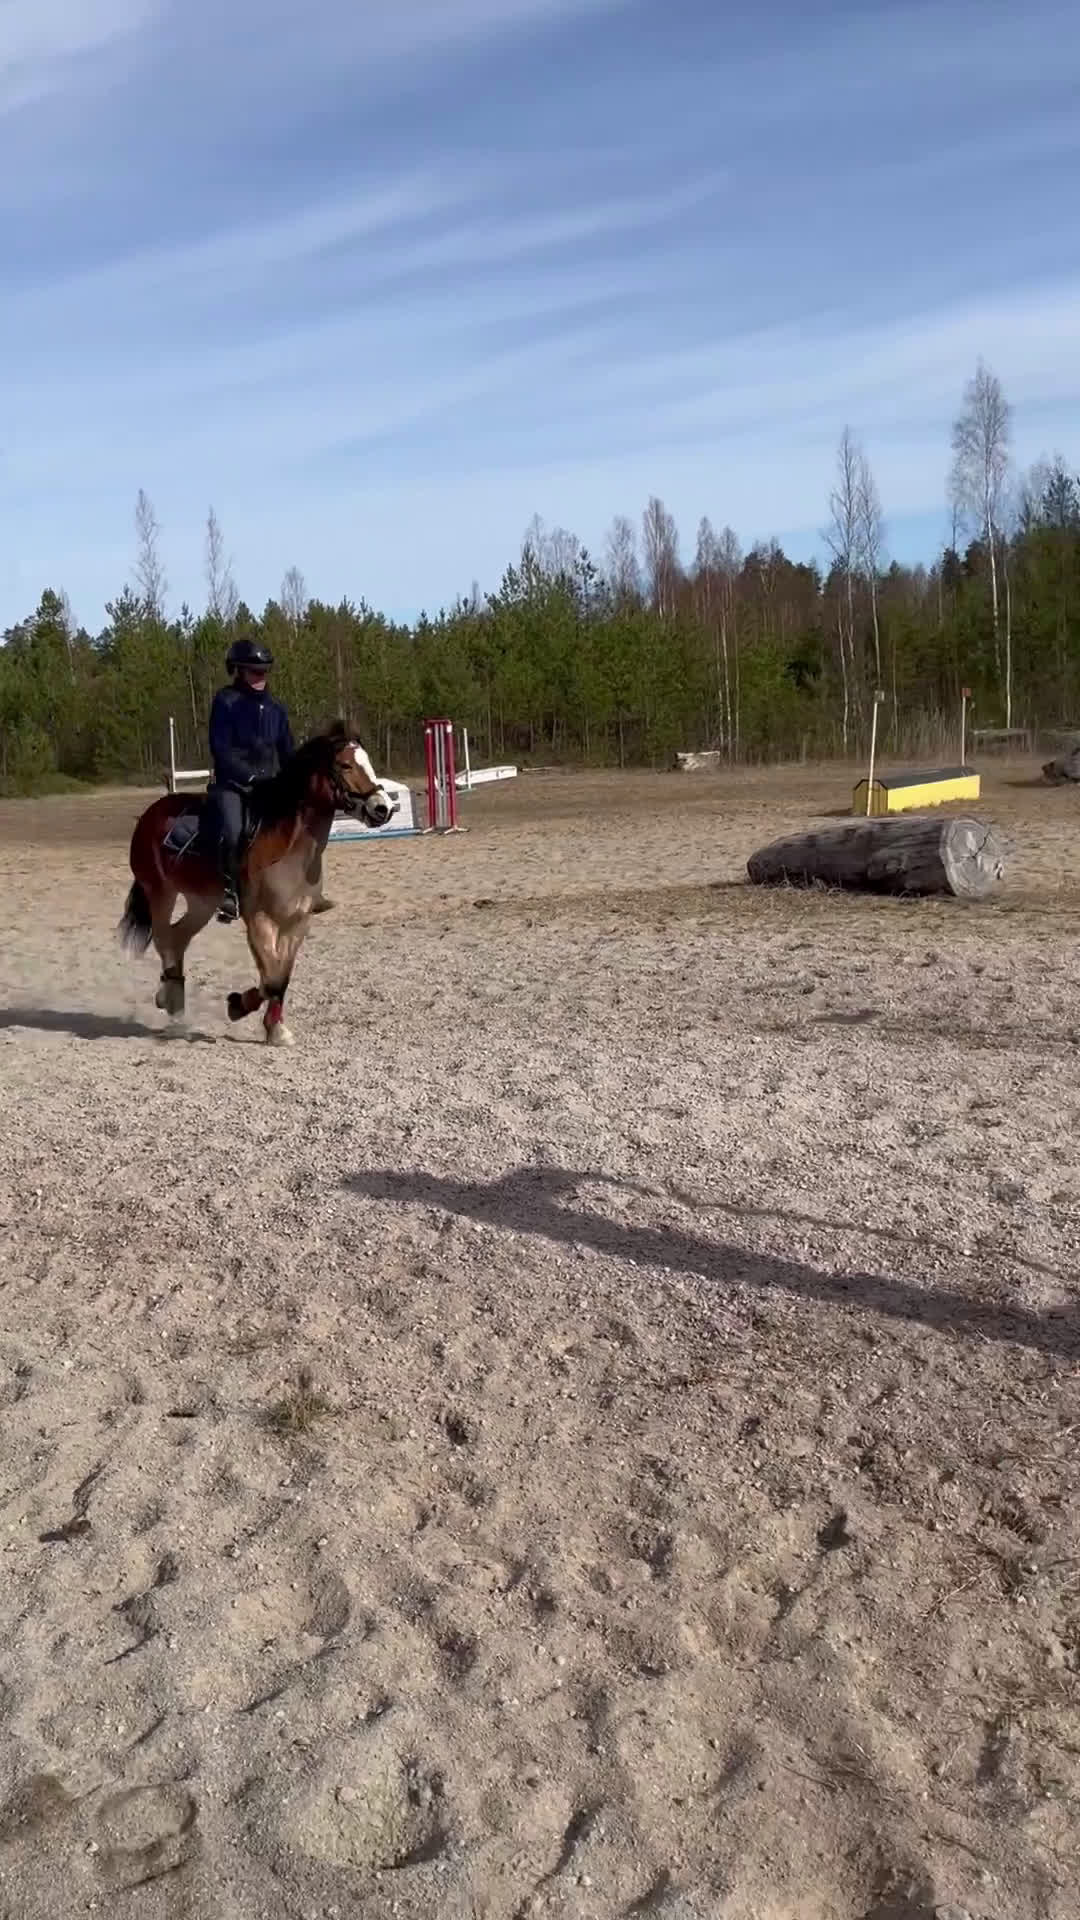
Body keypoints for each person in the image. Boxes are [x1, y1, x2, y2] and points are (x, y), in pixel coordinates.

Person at [206, 638, 294, 922]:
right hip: (233, 786)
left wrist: (293, 779)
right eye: (255, 671)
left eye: (264, 671)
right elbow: (220, 750)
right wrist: (251, 776)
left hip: (270, 787)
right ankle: (229, 892)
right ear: (239, 671)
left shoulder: (276, 710)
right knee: (233, 831)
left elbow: (287, 751)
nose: (261, 677)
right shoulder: (225, 701)